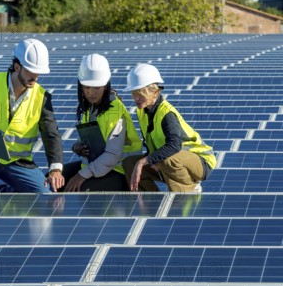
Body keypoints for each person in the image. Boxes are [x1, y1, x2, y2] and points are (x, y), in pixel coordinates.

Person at [0, 38, 65, 193]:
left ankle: (3, 191)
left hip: (18, 163)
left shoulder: (43, 98)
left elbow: (51, 135)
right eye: (30, 70)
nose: (35, 77)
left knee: (43, 195)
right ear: (17, 66)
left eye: (38, 73)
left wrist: (55, 168)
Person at [122, 63, 216, 193]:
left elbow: (174, 145)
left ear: (155, 92)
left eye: (140, 94)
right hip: (169, 159)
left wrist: (145, 161)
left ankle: (189, 190)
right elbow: (151, 142)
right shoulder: (142, 111)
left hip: (200, 161)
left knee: (167, 160)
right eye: (133, 93)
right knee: (130, 163)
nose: (136, 98)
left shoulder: (167, 114)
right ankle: (152, 204)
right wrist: (150, 159)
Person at [62, 54, 142, 192]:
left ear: (106, 86)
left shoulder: (116, 111)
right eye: (86, 87)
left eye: (96, 88)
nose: (90, 93)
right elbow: (88, 135)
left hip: (120, 170)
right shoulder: (90, 106)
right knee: (56, 180)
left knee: (82, 189)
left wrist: (81, 175)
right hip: (97, 164)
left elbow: (112, 155)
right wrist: (77, 146)